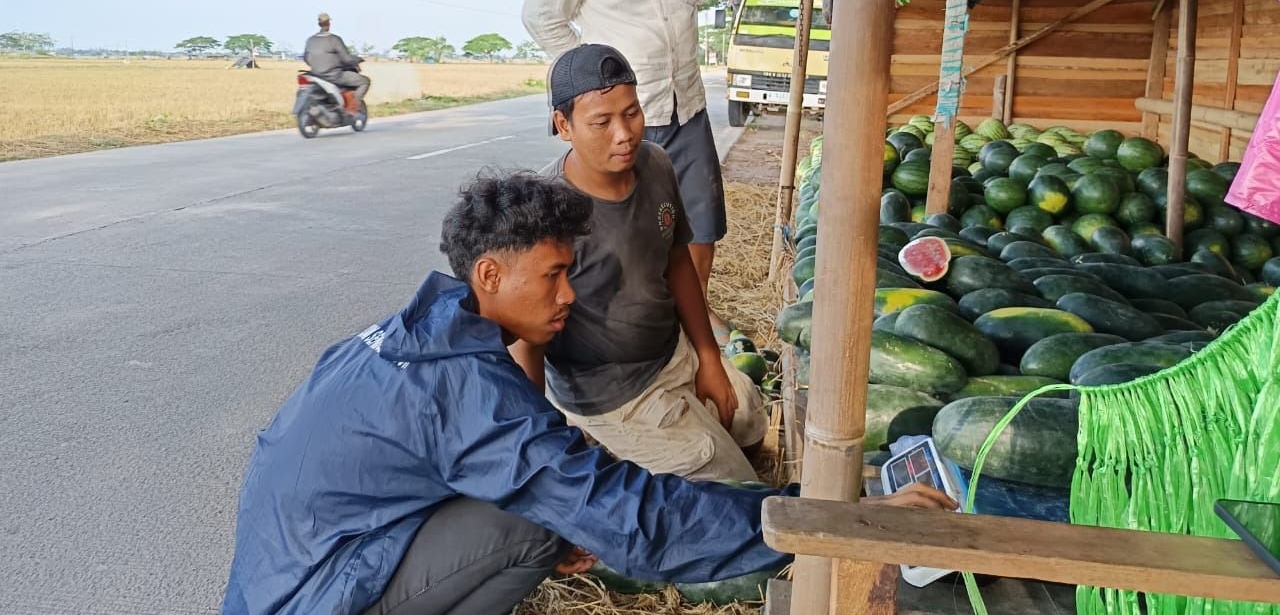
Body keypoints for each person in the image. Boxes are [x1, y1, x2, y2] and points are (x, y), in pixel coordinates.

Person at [220, 172, 955, 615]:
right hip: (317, 594)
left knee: (544, 507)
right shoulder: (462, 386)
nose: (569, 294)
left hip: (281, 572)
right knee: (536, 527)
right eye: (552, 275)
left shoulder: (415, 331)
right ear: (489, 276)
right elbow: (640, 522)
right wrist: (833, 520)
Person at [511, 43, 763, 482]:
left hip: (672, 354)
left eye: (631, 113)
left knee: (749, 421)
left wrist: (708, 357)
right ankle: (604, 445)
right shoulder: (544, 214)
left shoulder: (656, 163)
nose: (624, 134)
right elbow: (525, 340)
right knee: (737, 490)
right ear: (563, 125)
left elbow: (677, 260)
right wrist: (540, 441)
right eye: (601, 122)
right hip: (614, 396)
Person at [521, 0, 733, 341]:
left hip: (686, 103)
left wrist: (684, 5)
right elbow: (541, 17)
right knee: (626, 229)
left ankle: (694, 316)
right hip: (627, 115)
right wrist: (589, 79)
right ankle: (636, 323)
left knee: (701, 220)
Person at [303, 12, 370, 108]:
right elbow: (346, 59)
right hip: (334, 76)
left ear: (319, 24)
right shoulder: (334, 39)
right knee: (365, 81)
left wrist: (319, 65)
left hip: (315, 75)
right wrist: (358, 59)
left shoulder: (310, 40)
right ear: (329, 23)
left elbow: (306, 59)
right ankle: (352, 107)